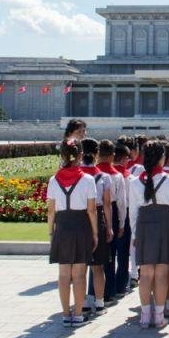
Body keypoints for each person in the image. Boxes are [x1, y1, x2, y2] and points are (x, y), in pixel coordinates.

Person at [129, 141, 169, 329]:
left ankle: (145, 315)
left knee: (145, 273)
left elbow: (133, 213)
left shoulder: (135, 182)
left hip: (144, 226)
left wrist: (134, 234)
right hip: (166, 225)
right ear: (162, 158)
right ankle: (159, 315)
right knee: (162, 273)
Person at [47, 139, 97, 327]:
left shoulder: (53, 180)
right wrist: (95, 233)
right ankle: (78, 313)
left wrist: (50, 231)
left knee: (63, 274)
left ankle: (65, 313)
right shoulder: (87, 180)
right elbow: (91, 210)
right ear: (80, 156)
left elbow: (51, 210)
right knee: (79, 274)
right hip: (81, 225)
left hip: (62, 225)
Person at [79, 138, 113, 316]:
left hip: (79, 218)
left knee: (81, 266)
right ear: (97, 153)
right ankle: (99, 303)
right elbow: (107, 205)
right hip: (97, 217)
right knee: (98, 266)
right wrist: (109, 227)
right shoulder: (104, 177)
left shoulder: (75, 174)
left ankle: (83, 302)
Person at [96, 140, 126, 304]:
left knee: (93, 257)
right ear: (113, 155)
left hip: (92, 211)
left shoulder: (90, 174)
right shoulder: (116, 176)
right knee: (110, 255)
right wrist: (121, 224)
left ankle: (93, 293)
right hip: (111, 212)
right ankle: (109, 291)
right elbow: (121, 202)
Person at [112, 143, 132, 296]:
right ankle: (120, 285)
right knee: (123, 254)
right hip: (124, 214)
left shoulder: (103, 174)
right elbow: (126, 201)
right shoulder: (127, 176)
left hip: (109, 214)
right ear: (124, 158)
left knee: (109, 255)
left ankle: (106, 287)